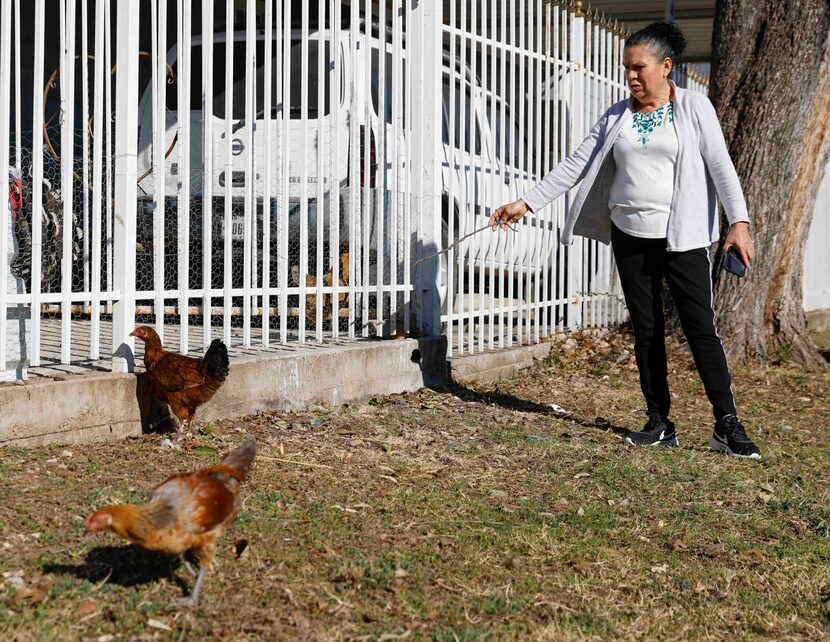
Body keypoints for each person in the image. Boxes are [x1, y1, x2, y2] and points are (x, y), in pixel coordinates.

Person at [489, 21, 761, 459]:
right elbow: (575, 164)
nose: (632, 77)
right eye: (627, 69)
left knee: (701, 330)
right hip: (631, 236)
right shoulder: (617, 116)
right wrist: (526, 202)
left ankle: (726, 424)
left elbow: (721, 168)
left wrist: (739, 222)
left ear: (666, 66)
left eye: (640, 68)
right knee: (647, 331)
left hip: (683, 237)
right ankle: (660, 423)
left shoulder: (694, 107)